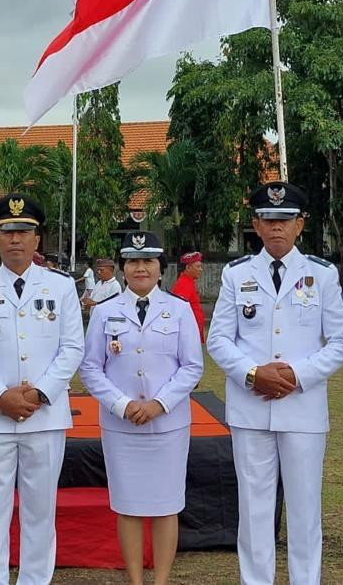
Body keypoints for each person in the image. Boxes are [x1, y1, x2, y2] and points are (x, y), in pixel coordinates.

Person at [207, 181, 343, 585]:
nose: (276, 227)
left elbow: (342, 342)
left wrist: (297, 375)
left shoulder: (321, 274)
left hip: (302, 408)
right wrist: (253, 373)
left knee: (305, 508)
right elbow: (218, 340)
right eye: (268, 219)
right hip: (251, 406)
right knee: (254, 509)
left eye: (285, 220)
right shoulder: (236, 274)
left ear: (300, 225)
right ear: (255, 224)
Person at [0, 193, 85, 585]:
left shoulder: (61, 286)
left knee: (40, 510)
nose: (15, 239)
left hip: (45, 417)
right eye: (7, 231)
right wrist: (0, 396)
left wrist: (40, 393)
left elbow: (72, 348)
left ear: (37, 238)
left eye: (24, 231)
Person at [79, 231, 204, 585]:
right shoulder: (105, 312)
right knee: (128, 505)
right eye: (133, 262)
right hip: (122, 426)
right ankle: (135, 580)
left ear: (160, 268)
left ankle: (160, 580)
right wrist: (122, 404)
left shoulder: (179, 309)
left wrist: (159, 404)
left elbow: (192, 366)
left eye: (148, 261)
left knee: (167, 505)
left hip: (167, 425)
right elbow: (90, 368)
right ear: (123, 269)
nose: (140, 268)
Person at [171, 252, 206, 343]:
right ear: (188, 267)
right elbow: (178, 312)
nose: (201, 269)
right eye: (198, 266)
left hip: (193, 331)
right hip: (188, 334)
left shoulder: (189, 282)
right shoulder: (183, 284)